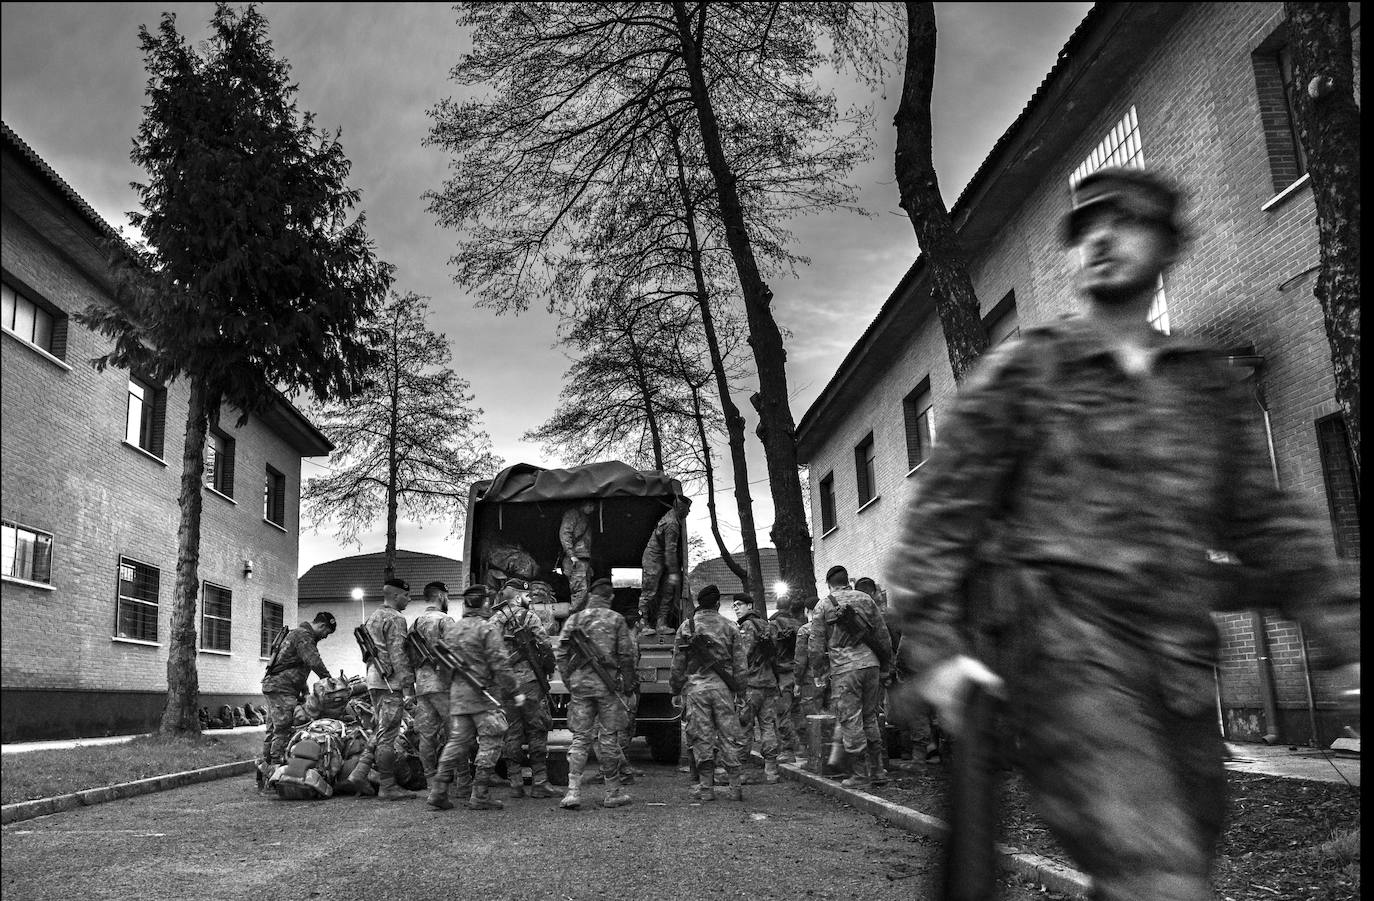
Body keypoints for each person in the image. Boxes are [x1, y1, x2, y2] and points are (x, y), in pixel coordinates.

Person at [886, 166, 1361, 901]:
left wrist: (1343, 633)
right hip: (1065, 666)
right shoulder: (1026, 372)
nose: (1101, 238)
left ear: (1169, 243)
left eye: (1125, 221)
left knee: (1171, 861)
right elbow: (936, 526)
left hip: (1177, 670)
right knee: (1160, 878)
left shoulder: (1204, 383)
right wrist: (941, 653)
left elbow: (1265, 521)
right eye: (1085, 227)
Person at [427, 584, 522, 811]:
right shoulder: (486, 629)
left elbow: (443, 667)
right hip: (484, 695)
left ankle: (438, 790)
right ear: (485, 603)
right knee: (491, 740)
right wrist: (515, 691)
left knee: (457, 743)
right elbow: (500, 664)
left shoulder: (454, 630)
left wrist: (452, 688)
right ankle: (480, 794)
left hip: (459, 698)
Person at [809, 565, 893, 788]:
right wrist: (886, 666)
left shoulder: (824, 605)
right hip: (871, 665)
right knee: (870, 717)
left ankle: (859, 773)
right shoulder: (866, 599)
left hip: (845, 669)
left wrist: (818, 672)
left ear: (829, 583)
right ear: (847, 580)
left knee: (850, 719)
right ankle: (878, 770)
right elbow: (883, 635)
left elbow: (816, 645)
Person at [556, 577, 635, 810]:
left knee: (581, 738)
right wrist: (628, 684)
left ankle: (573, 793)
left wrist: (569, 681)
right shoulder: (616, 620)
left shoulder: (575, 619)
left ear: (590, 596)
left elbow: (561, 654)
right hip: (607, 687)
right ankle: (612, 794)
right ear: (610, 597)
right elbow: (627, 656)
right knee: (608, 739)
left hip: (580, 687)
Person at [669, 584, 747, 802]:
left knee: (702, 737)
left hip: (696, 690)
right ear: (717, 604)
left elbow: (678, 663)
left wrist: (675, 689)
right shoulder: (730, 626)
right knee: (728, 735)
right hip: (723, 689)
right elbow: (741, 663)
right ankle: (735, 787)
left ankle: (706, 789)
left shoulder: (687, 626)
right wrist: (740, 691)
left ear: (698, 604)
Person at [489, 579, 560, 799]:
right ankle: (540, 782)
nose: (530, 600)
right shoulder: (529, 617)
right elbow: (545, 646)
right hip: (529, 683)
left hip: (504, 685)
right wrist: (548, 668)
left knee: (511, 731)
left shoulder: (493, 621)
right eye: (528, 596)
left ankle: (515, 782)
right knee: (537, 728)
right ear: (518, 597)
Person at [347, 577, 417, 800]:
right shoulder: (396, 619)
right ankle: (387, 786)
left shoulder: (373, 617)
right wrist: (408, 687)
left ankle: (359, 773)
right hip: (390, 683)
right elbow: (398, 655)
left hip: (374, 680)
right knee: (388, 735)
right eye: (406, 595)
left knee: (380, 729)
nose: (409, 598)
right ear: (396, 595)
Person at [259, 611, 336, 780]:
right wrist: (330, 681)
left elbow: (297, 668)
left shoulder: (299, 634)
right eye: (327, 633)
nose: (325, 637)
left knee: (273, 730)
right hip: (282, 689)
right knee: (283, 730)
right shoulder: (304, 636)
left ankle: (263, 772)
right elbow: (313, 661)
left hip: (277, 686)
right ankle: (275, 771)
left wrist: (306, 692)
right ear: (322, 626)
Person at [409, 581, 455, 800]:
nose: (447, 599)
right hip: (444, 685)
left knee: (426, 736)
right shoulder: (445, 621)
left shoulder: (416, 623)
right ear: (440, 596)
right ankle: (462, 782)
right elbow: (456, 653)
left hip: (422, 686)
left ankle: (430, 782)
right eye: (446, 596)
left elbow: (407, 655)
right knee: (457, 733)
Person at [733, 592, 782, 784]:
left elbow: (742, 657)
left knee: (744, 726)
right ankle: (771, 771)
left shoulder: (747, 626)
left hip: (751, 684)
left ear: (749, 606)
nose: (735, 608)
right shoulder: (766, 625)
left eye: (739, 604)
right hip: (769, 682)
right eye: (734, 605)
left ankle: (741, 771)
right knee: (768, 726)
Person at [638, 495, 690, 638]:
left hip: (665, 560)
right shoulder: (672, 524)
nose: (689, 512)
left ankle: (661, 624)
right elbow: (670, 551)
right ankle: (643, 624)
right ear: (680, 508)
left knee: (668, 591)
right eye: (687, 509)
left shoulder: (674, 518)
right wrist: (674, 572)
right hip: (653, 559)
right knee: (649, 592)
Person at [769, 598, 806, 763]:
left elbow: (770, 650)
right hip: (799, 674)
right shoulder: (799, 624)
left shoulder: (773, 625)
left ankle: (787, 750)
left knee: (782, 713)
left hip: (782, 674)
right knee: (798, 712)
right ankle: (804, 748)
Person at [560, 499, 597, 614]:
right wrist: (571, 555)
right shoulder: (573, 515)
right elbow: (565, 533)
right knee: (580, 592)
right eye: (590, 505)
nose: (592, 509)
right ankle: (572, 621)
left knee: (585, 593)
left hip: (583, 559)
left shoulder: (585, 518)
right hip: (575, 560)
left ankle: (579, 620)